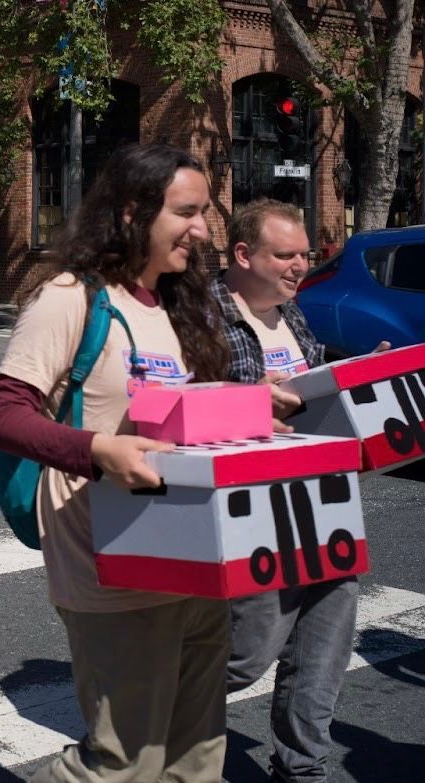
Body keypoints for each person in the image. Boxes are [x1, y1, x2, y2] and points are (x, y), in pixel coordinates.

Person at [0, 143, 232, 783]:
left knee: (196, 762)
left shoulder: (183, 305)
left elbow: (188, 420)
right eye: (186, 212)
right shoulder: (71, 298)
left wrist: (255, 409)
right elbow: (3, 418)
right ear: (130, 213)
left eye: (204, 213)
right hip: (110, 561)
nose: (202, 229)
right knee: (123, 766)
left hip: (198, 559)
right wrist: (98, 451)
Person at [216, 198, 372, 783]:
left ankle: (302, 768)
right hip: (252, 506)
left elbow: (312, 386)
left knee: (323, 644)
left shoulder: (293, 313)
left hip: (323, 497)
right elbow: (173, 405)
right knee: (246, 653)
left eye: (305, 253)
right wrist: (248, 398)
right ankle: (146, 715)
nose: (300, 265)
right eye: (284, 254)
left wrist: (360, 379)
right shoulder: (201, 315)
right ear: (242, 255)